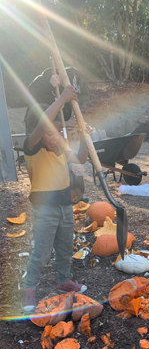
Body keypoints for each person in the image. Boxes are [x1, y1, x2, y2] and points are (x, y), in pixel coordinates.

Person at [22, 85, 92, 312]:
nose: (54, 138)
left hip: (65, 206)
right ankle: (29, 288)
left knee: (64, 247)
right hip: (44, 209)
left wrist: (84, 138)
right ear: (35, 130)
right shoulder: (31, 147)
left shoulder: (60, 149)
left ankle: (64, 280)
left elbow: (81, 159)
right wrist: (61, 99)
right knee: (42, 252)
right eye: (49, 133)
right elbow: (43, 123)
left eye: (57, 132)